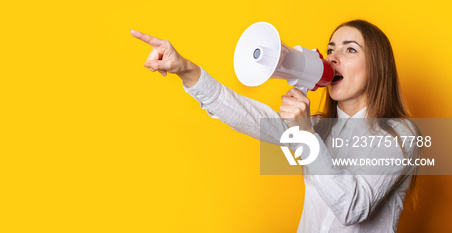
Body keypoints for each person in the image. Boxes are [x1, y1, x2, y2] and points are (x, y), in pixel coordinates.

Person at [131, 20, 419, 232]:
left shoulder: (400, 135)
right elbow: (252, 117)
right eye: (330, 49)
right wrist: (187, 70)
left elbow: (353, 208)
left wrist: (306, 135)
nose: (333, 57)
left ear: (377, 66)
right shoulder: (319, 128)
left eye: (350, 50)